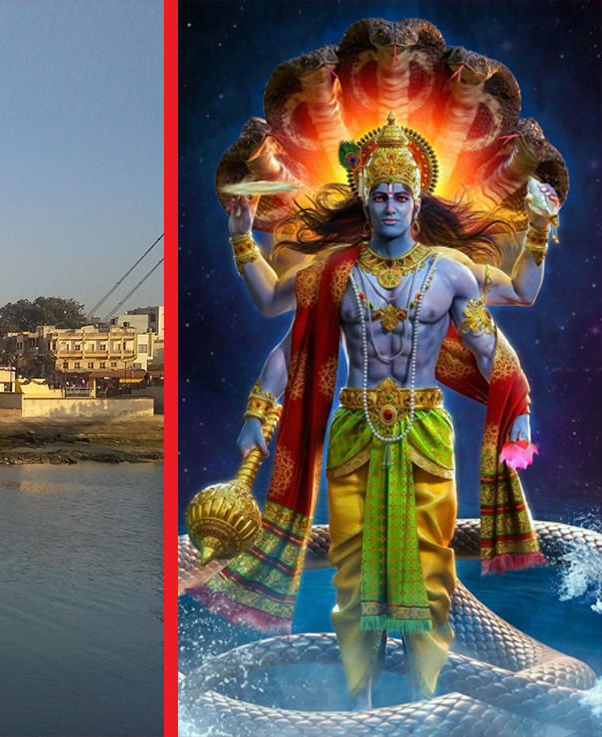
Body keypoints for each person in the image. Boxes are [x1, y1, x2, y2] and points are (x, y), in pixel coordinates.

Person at [196, 114, 548, 709]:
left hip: (426, 432)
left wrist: (518, 404)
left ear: (416, 203)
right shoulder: (337, 272)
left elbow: (490, 347)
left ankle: (424, 708)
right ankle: (360, 710)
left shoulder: (451, 272)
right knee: (354, 578)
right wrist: (259, 407)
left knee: (432, 576)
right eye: (380, 195)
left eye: (401, 195)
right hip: (355, 430)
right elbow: (285, 339)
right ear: (366, 201)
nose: (390, 205)